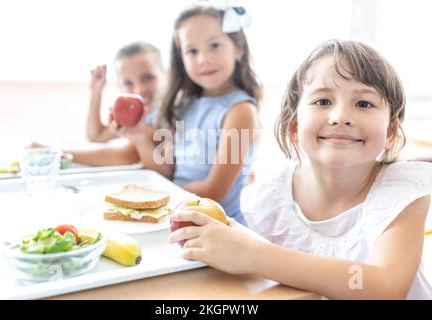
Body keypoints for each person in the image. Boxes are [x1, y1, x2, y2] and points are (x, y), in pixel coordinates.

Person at [168, 39, 432, 299]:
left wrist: (253, 254)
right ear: (294, 126)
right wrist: (228, 243)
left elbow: (384, 287)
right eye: (322, 102)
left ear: (390, 131)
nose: (340, 116)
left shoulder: (400, 194)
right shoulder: (273, 193)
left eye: (364, 103)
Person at [114, 2, 262, 225]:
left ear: (238, 47)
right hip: (178, 215)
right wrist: (139, 137)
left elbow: (214, 191)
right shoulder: (185, 104)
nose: (203, 59)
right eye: (192, 51)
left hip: (220, 229)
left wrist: (153, 194)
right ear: (181, 59)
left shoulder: (240, 111)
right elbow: (169, 171)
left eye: (214, 46)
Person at [33, 42, 165, 166]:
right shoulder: (137, 113)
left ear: (164, 73)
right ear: (119, 85)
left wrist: (52, 152)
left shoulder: (167, 113)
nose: (139, 90)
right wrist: (96, 91)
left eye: (148, 78)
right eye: (128, 83)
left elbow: (126, 155)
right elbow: (96, 136)